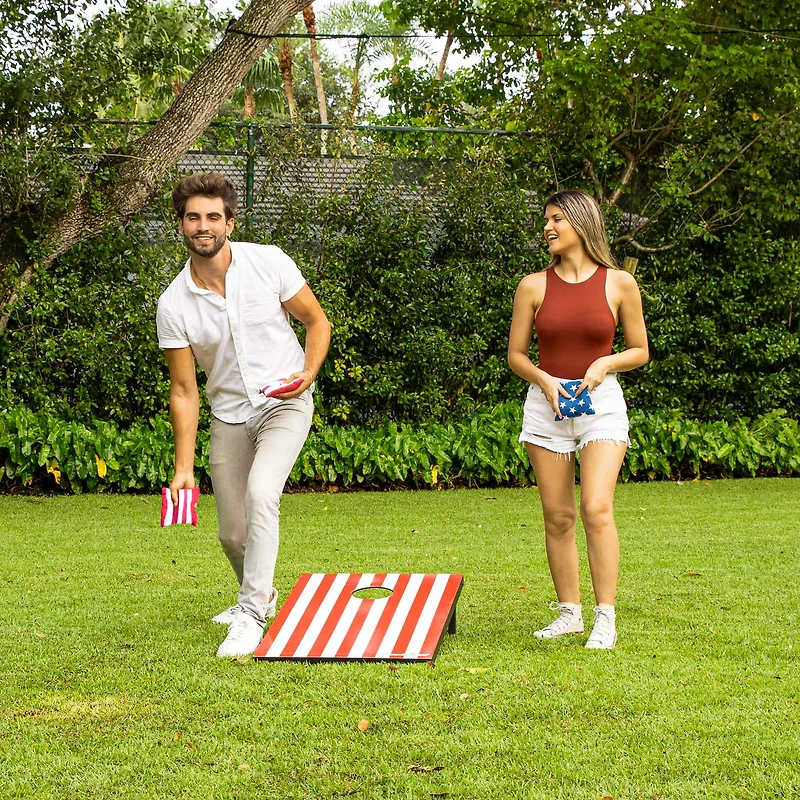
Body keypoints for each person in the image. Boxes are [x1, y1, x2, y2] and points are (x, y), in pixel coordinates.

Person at [156, 172, 331, 658]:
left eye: (213, 217)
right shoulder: (173, 304)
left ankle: (251, 614)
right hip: (230, 416)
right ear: (181, 225)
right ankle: (263, 594)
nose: (203, 226)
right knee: (232, 534)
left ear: (229, 223)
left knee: (261, 493)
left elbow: (316, 321)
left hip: (284, 403)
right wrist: (183, 468)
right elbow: (184, 390)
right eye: (194, 217)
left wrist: (308, 373)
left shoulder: (268, 261)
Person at [507, 190, 648, 649]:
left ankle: (605, 617)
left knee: (596, 507)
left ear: (582, 223)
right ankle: (570, 613)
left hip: (600, 405)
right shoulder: (532, 286)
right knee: (558, 516)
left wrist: (605, 363)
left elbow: (640, 350)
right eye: (546, 220)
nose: (547, 227)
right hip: (546, 408)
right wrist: (544, 380)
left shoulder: (619, 283)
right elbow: (516, 355)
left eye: (557, 219)